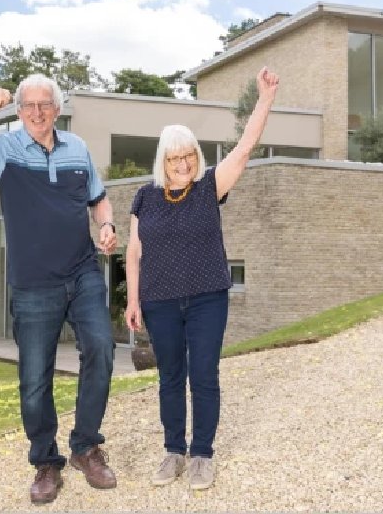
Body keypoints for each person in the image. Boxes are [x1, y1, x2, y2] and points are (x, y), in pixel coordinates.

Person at [0, 74, 118, 505]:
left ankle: (86, 447)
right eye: (29, 105)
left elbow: (99, 198)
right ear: (19, 110)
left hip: (82, 271)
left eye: (45, 104)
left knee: (102, 348)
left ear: (58, 108)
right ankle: (46, 462)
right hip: (33, 284)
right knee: (33, 381)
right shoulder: (4, 149)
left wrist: (106, 224)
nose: (38, 111)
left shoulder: (77, 149)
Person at [124, 67, 279, 490]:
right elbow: (134, 252)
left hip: (208, 297)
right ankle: (173, 451)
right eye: (174, 157)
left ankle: (202, 455)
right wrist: (133, 300)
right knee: (170, 376)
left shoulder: (211, 186)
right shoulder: (145, 196)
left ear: (196, 155)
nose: (182, 163)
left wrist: (264, 99)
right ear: (163, 161)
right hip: (159, 301)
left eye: (188, 154)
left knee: (204, 376)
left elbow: (245, 148)